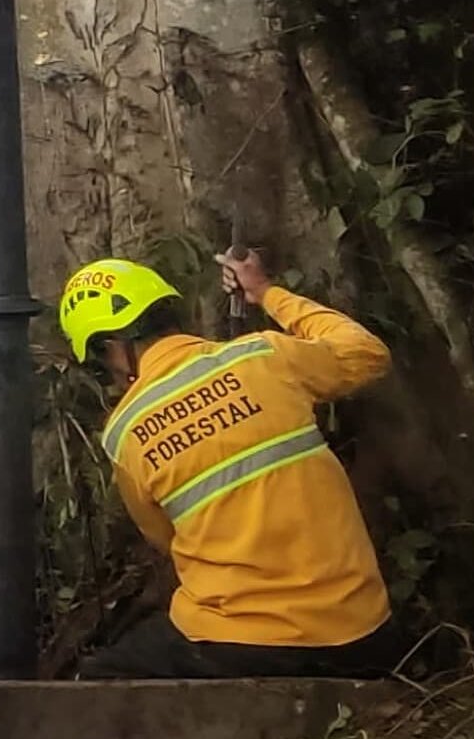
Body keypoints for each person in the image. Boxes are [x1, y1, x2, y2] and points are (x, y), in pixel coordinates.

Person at [60, 249, 404, 679]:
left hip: (240, 645)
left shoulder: (125, 431)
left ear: (111, 349)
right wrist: (265, 292)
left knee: (100, 678)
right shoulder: (263, 356)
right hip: (361, 631)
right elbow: (366, 353)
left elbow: (164, 539)